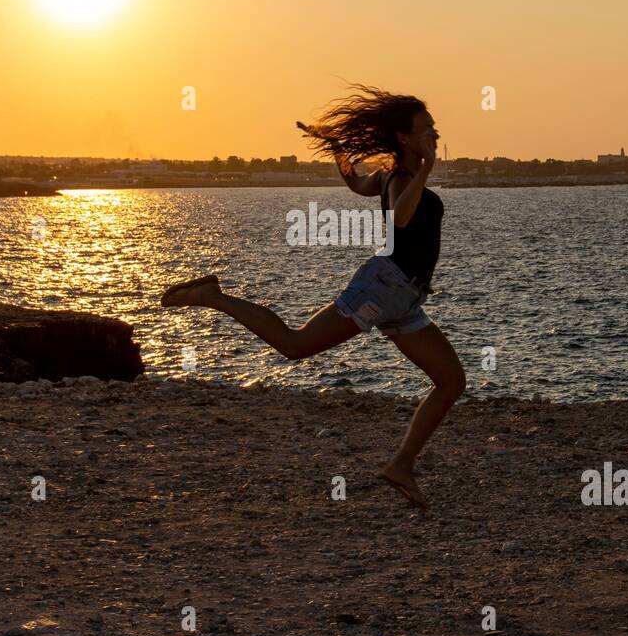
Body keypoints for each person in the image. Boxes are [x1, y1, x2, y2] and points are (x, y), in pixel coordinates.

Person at [161, 84, 465, 508]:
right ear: (405, 138)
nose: (434, 133)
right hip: (384, 286)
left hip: (406, 299)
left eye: (434, 127)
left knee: (451, 381)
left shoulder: (387, 177)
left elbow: (357, 184)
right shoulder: (400, 178)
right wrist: (427, 171)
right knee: (295, 345)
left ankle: (401, 465)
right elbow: (400, 219)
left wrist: (338, 148)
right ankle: (214, 297)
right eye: (427, 128)